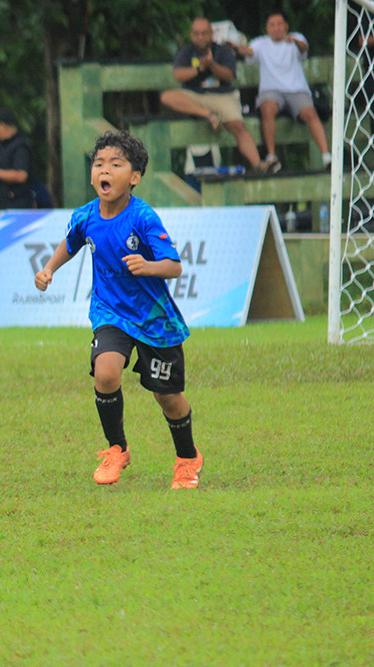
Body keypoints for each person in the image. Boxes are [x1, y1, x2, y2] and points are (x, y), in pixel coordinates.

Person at [33, 130, 203, 490]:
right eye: (98, 164)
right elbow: (71, 242)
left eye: (115, 164)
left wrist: (148, 265)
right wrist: (49, 268)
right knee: (106, 372)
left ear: (134, 177)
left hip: (155, 320)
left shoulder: (143, 217)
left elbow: (174, 266)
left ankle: (187, 458)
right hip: (110, 312)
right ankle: (117, 449)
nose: (104, 170)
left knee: (167, 397)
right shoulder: (85, 216)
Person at [160, 18, 264, 172]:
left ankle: (259, 164)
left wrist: (212, 65)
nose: (201, 37)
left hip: (221, 96)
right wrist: (200, 69)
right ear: (191, 35)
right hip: (194, 96)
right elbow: (178, 75)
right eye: (197, 33)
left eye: (204, 33)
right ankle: (209, 115)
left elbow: (229, 76)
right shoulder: (186, 52)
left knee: (239, 125)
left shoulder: (222, 51)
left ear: (211, 33)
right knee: (167, 97)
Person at [236, 11, 331, 172]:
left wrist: (291, 40)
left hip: (296, 90)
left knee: (310, 113)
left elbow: (304, 48)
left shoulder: (296, 39)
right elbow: (248, 52)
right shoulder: (261, 43)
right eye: (272, 25)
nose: (276, 28)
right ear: (267, 28)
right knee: (267, 108)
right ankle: (272, 157)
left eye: (279, 24)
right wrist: (236, 47)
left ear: (286, 26)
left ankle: (326, 156)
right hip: (271, 92)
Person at [0, 109, 35, 209]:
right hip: (0, 205)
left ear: (2, 126)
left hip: (15, 205)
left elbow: (21, 175)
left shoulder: (20, 146)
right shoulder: (3, 147)